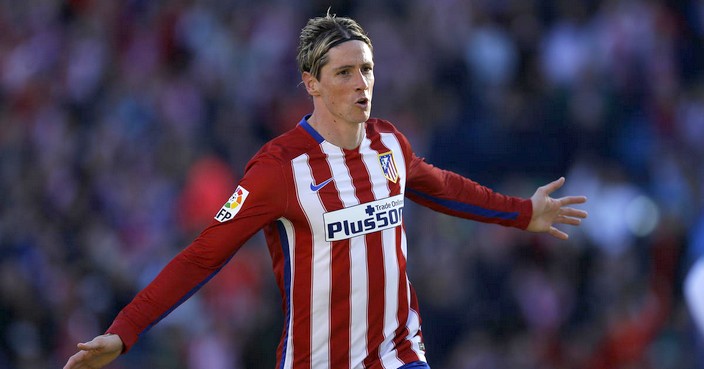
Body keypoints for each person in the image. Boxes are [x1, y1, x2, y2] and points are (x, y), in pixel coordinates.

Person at [63, 12, 587, 369]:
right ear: (312, 83)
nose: (361, 84)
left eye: (367, 70)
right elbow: (202, 255)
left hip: (400, 355)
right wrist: (124, 331)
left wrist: (523, 213)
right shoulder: (278, 168)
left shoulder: (388, 143)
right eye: (344, 73)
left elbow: (442, 187)